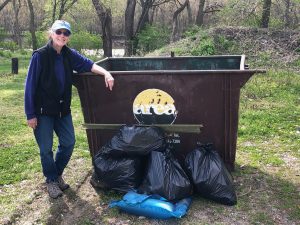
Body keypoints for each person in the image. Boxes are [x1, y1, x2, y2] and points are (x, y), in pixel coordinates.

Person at [24, 20, 114, 199]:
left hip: (62, 110)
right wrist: (30, 114)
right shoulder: (40, 56)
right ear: (51, 33)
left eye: (66, 33)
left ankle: (55, 174)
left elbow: (88, 64)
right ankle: (51, 180)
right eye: (59, 32)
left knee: (69, 142)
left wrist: (106, 73)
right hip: (43, 112)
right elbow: (30, 86)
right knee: (45, 149)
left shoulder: (68, 54)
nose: (62, 36)